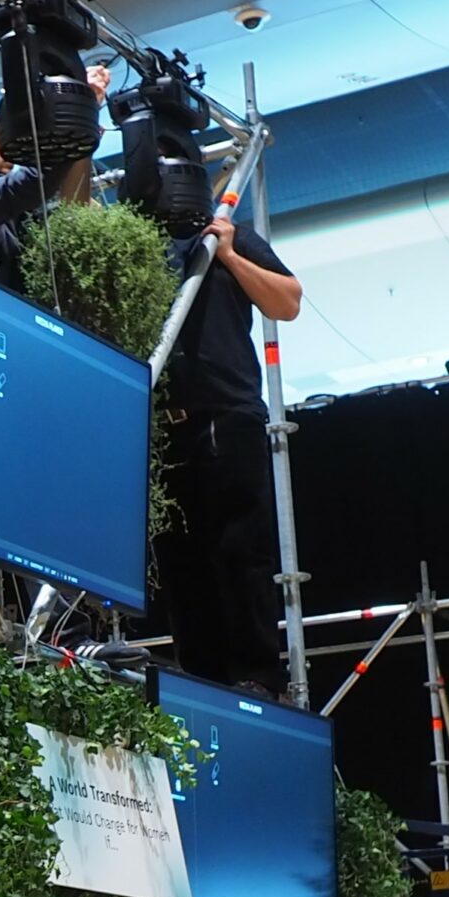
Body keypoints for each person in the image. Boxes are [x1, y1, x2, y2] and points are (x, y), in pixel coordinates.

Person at [161, 201, 302, 694]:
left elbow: (287, 301)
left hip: (228, 413)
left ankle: (257, 676)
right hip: (165, 425)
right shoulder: (141, 246)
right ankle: (200, 682)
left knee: (240, 551)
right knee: (180, 562)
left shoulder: (229, 235)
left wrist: (229, 255)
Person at [0, 69, 111, 290]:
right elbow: (35, 182)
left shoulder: (18, 218)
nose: (7, 149)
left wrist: (83, 131)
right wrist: (74, 111)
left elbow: (73, 212)